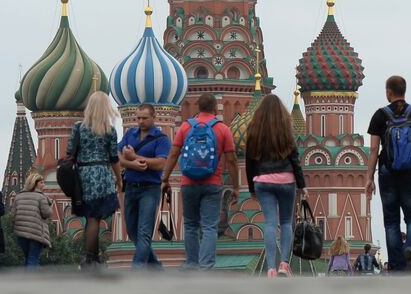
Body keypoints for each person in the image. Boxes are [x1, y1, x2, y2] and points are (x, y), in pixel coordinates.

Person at [162, 93, 238, 271]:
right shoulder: (222, 129)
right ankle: (206, 266)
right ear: (214, 108)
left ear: (198, 107)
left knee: (190, 225)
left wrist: (164, 178)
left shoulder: (186, 127)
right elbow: (233, 160)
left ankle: (191, 264)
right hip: (213, 182)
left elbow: (173, 153)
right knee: (210, 226)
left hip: (188, 183)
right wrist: (235, 186)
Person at [365, 76, 411, 274]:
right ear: (404, 90)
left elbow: (373, 150)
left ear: (389, 92)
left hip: (387, 172)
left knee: (391, 222)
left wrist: (369, 178)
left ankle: (397, 266)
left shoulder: (380, 115)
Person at [244, 95, 306, 278]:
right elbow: (295, 159)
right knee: (286, 222)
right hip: (286, 181)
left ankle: (270, 267)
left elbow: (249, 162)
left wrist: (251, 188)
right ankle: (284, 265)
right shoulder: (285, 130)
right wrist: (302, 185)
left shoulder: (253, 130)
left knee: (270, 223)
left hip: (263, 180)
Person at [69, 92, 123, 270]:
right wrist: (119, 179)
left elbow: (70, 152)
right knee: (95, 218)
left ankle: (94, 257)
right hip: (101, 175)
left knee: (90, 216)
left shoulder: (78, 127)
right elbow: (114, 158)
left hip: (83, 176)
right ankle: (88, 257)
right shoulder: (109, 130)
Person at [118, 103, 171, 270]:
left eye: (144, 118)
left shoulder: (161, 139)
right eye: (138, 118)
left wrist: (135, 157)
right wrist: (132, 164)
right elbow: (118, 157)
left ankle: (137, 269)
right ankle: (155, 267)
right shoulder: (129, 134)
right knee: (132, 230)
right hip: (132, 187)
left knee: (144, 231)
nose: (140, 121)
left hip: (150, 188)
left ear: (153, 118)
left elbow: (161, 163)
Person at [11, 172, 54, 269]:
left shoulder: (19, 196)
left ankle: (26, 282)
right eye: (42, 182)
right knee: (33, 259)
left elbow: (13, 216)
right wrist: (51, 206)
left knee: (27, 258)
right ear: (35, 183)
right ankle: (30, 283)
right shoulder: (41, 197)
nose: (44, 185)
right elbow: (46, 214)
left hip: (21, 234)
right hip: (36, 234)